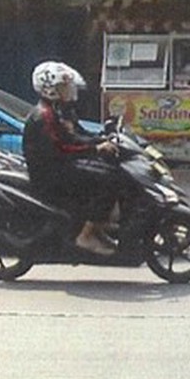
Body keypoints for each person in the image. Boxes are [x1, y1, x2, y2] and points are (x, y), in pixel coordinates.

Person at [21, 61, 121, 255]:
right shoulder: (44, 115)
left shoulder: (60, 110)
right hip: (50, 174)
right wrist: (96, 148)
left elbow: (77, 135)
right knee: (107, 181)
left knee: (109, 171)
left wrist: (101, 139)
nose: (69, 90)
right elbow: (63, 146)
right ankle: (85, 236)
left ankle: (97, 227)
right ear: (50, 89)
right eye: (63, 87)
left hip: (61, 164)